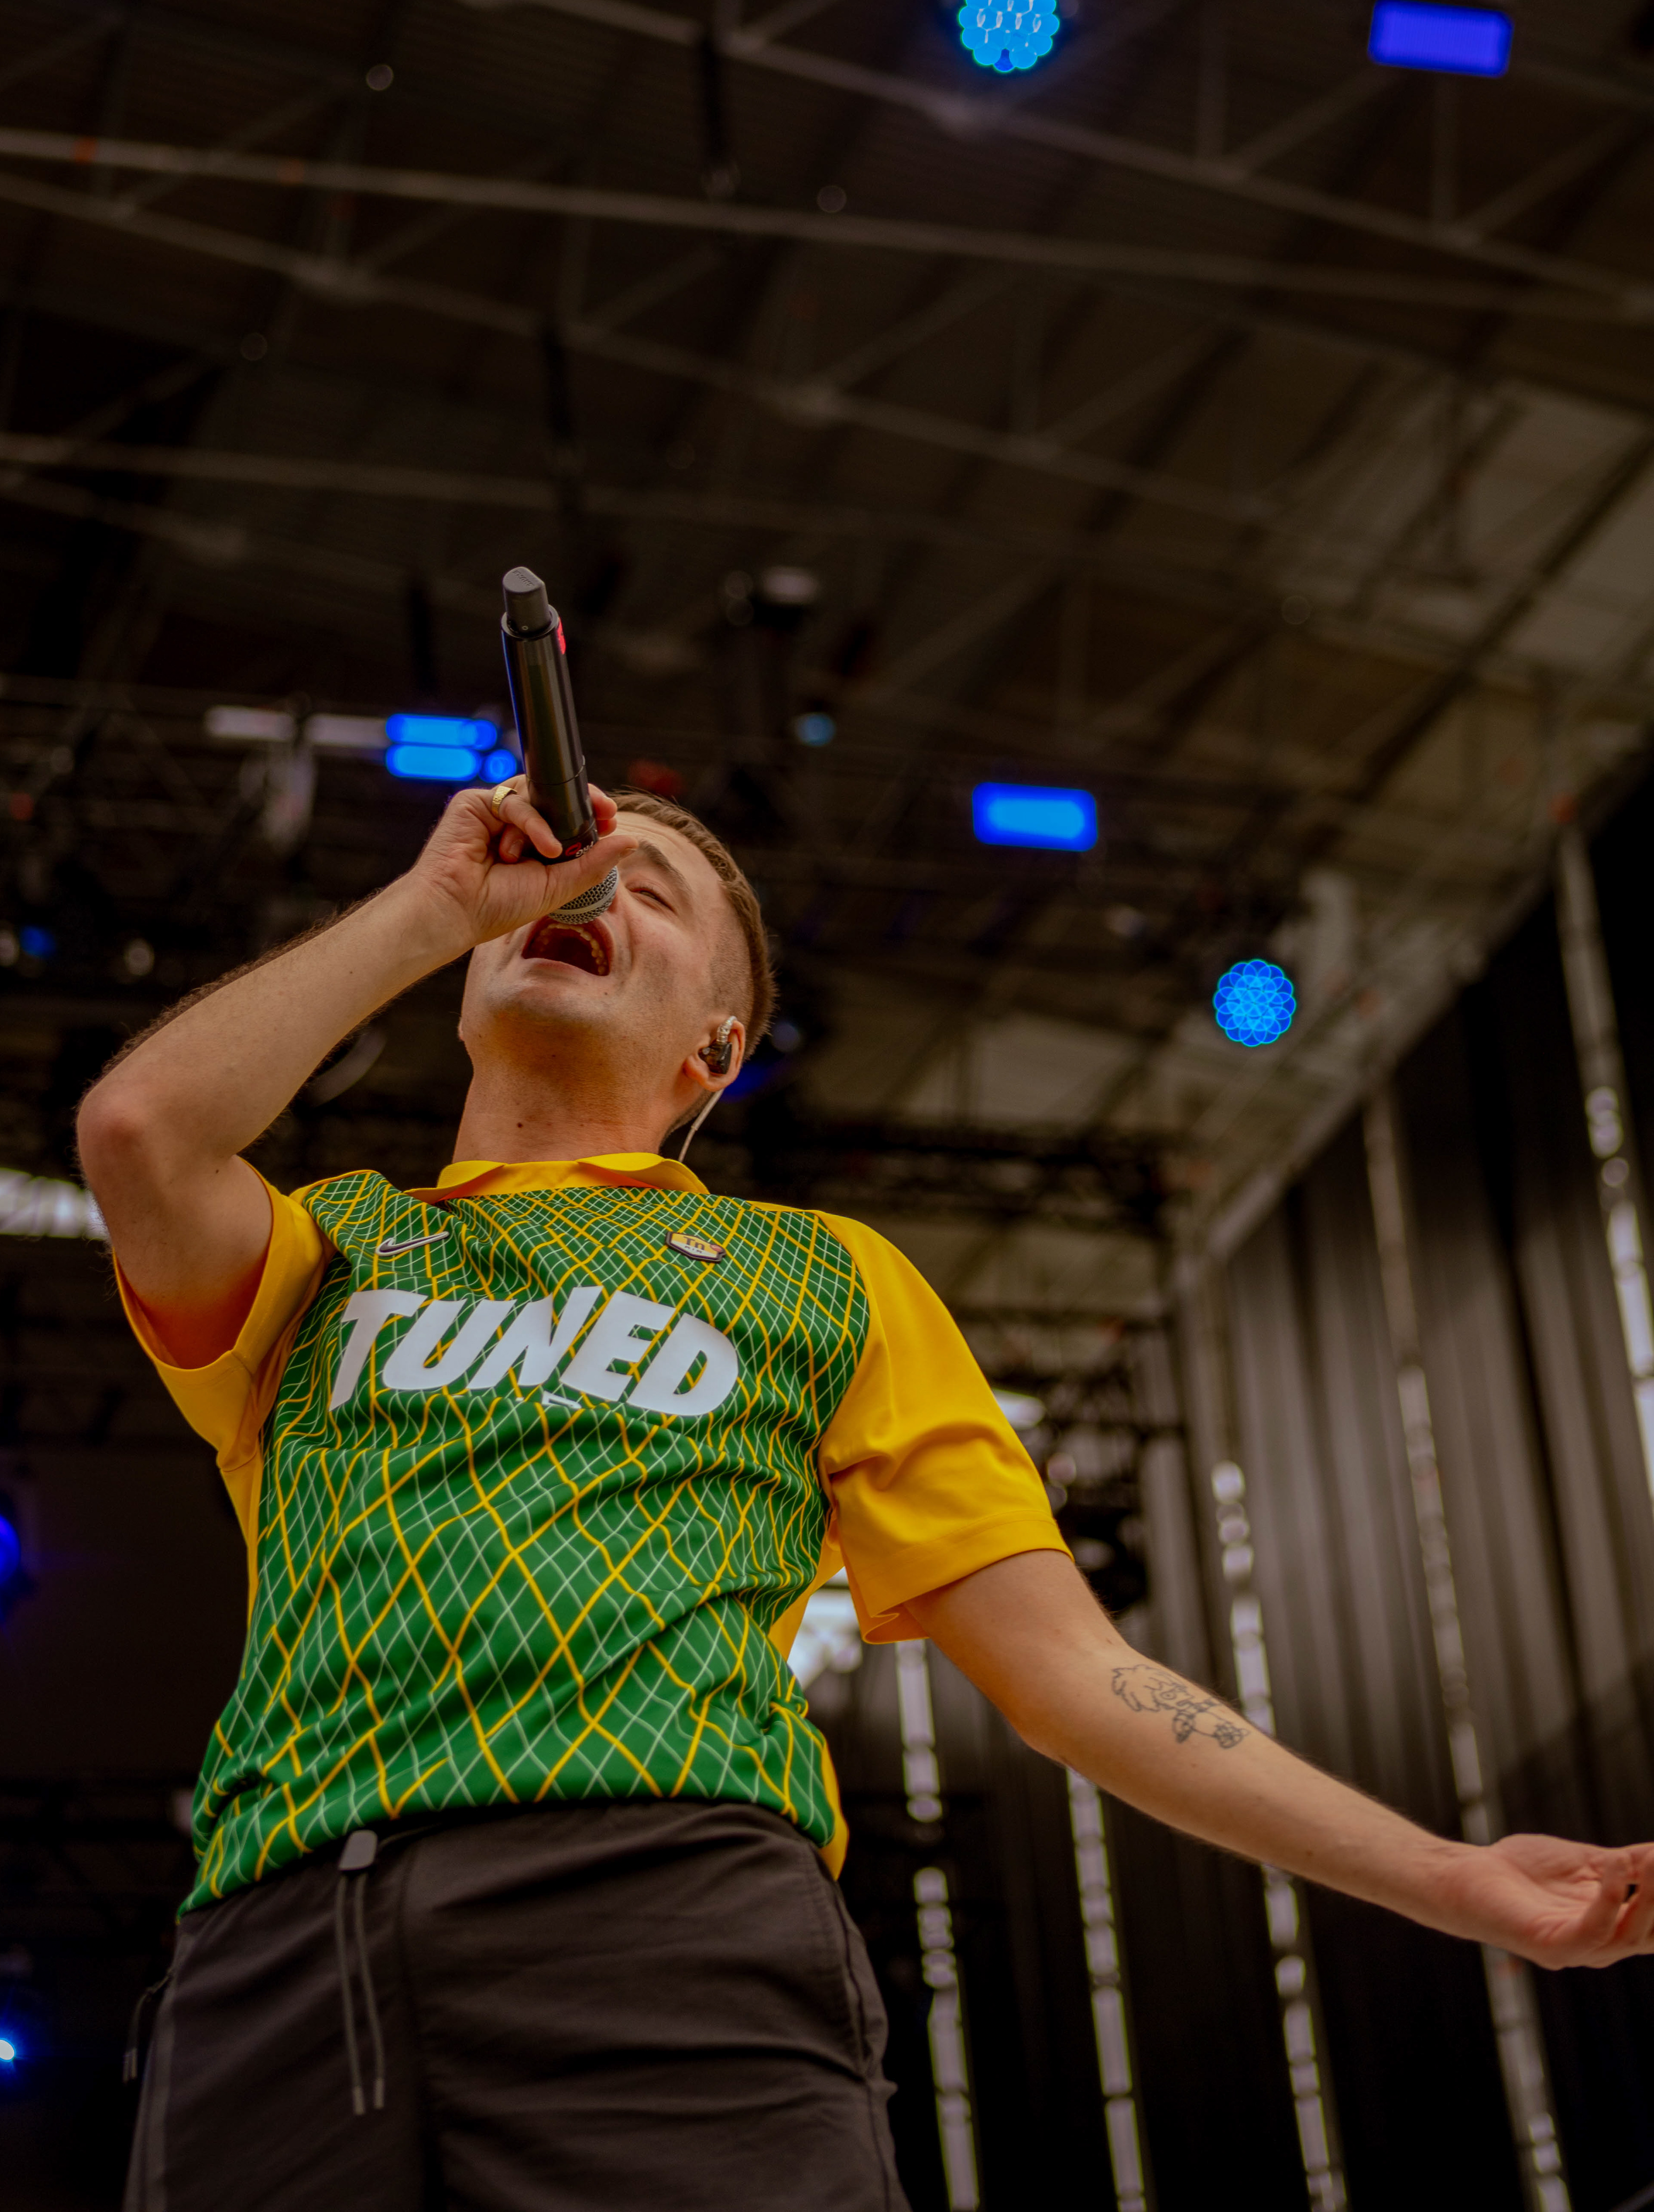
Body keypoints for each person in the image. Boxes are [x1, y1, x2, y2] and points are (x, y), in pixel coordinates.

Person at [81, 775, 1654, 2212]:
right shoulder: (330, 1249)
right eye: (565, 874)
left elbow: (1075, 1674)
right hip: (281, 1947)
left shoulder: (824, 1276)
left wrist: (1450, 1878)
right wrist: (436, 904)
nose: (585, 890)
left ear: (717, 1048)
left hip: (664, 1918)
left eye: (646, 891)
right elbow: (140, 1132)